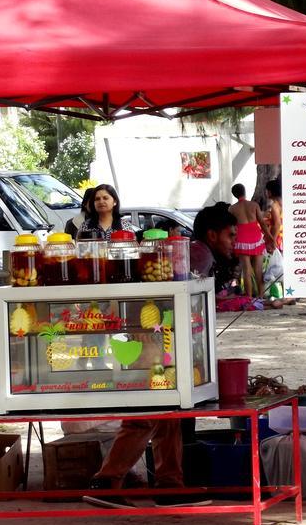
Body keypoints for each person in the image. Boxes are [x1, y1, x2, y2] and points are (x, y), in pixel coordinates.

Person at [85, 204, 242, 509]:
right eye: (230, 235)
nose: (233, 242)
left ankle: (171, 484)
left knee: (169, 414)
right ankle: (106, 480)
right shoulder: (198, 253)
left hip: (159, 335)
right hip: (151, 337)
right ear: (212, 234)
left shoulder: (197, 252)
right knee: (148, 413)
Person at [228, 183, 270, 298]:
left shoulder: (232, 208)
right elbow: (262, 223)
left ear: (234, 195)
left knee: (246, 271)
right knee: (258, 270)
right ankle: (261, 296)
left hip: (241, 239)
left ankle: (249, 297)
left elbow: (231, 227)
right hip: (256, 238)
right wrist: (270, 238)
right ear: (244, 191)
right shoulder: (254, 205)